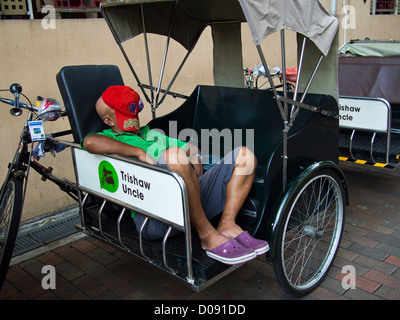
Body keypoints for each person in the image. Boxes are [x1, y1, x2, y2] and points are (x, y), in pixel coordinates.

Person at [82, 85, 269, 265]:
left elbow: (188, 146)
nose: (134, 119)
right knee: (174, 154)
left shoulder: (152, 133)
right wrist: (138, 151)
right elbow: (90, 142)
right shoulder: (111, 138)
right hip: (156, 217)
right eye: (126, 116)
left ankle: (227, 224)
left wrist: (195, 156)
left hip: (190, 201)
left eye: (134, 113)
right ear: (109, 121)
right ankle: (206, 235)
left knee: (245, 155)